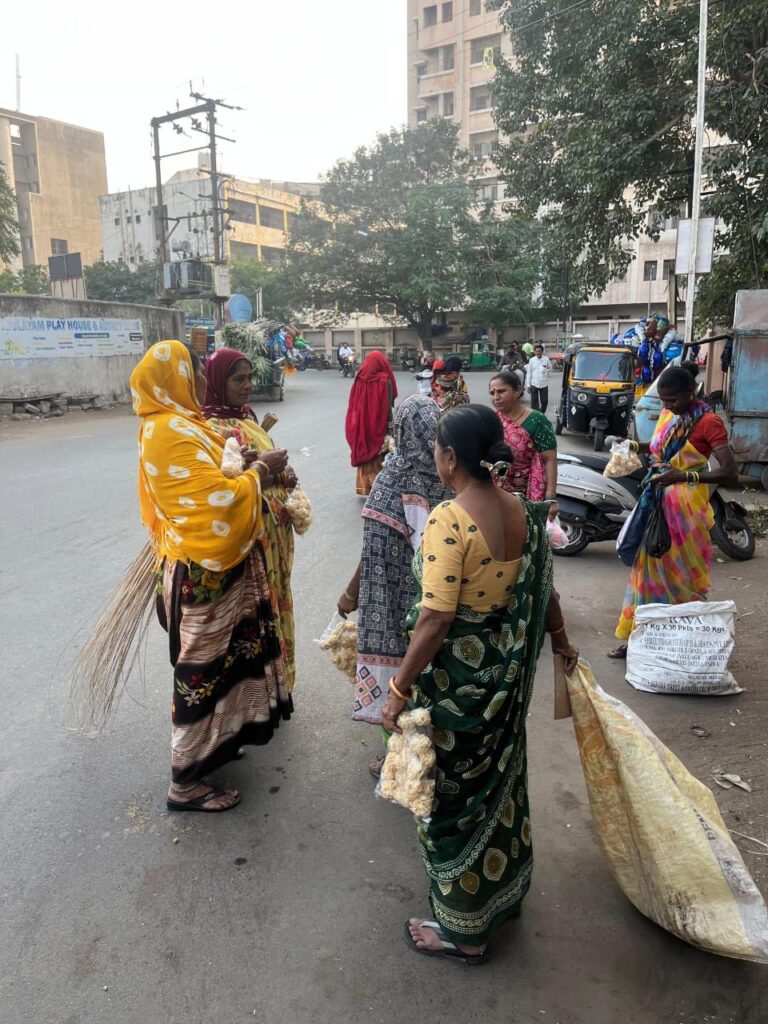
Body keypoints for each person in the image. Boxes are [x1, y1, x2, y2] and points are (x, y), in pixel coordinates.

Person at [379, 404, 578, 963]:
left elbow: (435, 618)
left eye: (437, 451)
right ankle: (495, 895)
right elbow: (544, 589)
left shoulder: (450, 518)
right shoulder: (522, 511)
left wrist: (397, 691)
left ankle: (464, 932)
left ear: (449, 457)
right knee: (494, 789)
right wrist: (561, 642)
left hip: (455, 684)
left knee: (449, 799)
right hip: (502, 676)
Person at [129, 340, 292, 812]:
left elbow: (220, 476)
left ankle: (219, 744)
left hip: (221, 570)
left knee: (228, 663)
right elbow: (216, 505)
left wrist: (252, 466)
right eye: (196, 371)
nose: (202, 380)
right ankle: (184, 783)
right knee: (200, 672)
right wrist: (259, 470)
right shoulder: (167, 432)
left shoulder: (185, 424)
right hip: (204, 572)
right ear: (176, 377)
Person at [337, 396, 451, 775]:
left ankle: (398, 757)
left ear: (401, 430)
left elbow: (373, 551)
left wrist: (353, 592)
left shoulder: (393, 477)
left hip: (394, 602)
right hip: (438, 599)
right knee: (429, 672)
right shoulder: (449, 476)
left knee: (399, 678)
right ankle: (430, 747)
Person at [608, 363, 739, 658]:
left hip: (685, 510)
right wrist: (631, 445)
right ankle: (640, 638)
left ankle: (681, 643)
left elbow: (730, 472)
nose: (667, 406)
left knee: (681, 576)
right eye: (664, 401)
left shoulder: (709, 422)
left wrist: (683, 476)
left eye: (673, 400)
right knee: (647, 573)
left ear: (691, 392)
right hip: (656, 501)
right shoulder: (671, 415)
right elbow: (658, 448)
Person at [201, 347, 300, 692]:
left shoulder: (247, 417)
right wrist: (270, 474)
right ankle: (257, 691)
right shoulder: (211, 429)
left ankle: (279, 681)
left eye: (249, 378)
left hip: (275, 533)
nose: (247, 386)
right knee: (255, 612)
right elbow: (223, 489)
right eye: (238, 380)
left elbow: (266, 467)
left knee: (277, 599)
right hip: (251, 537)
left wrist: (285, 476)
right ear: (218, 382)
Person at [489, 371, 558, 514]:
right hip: (496, 492)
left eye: (501, 391)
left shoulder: (537, 420)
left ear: (518, 391)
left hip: (529, 491)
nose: (496, 397)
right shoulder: (491, 420)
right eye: (492, 393)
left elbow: (549, 459)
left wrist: (550, 498)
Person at [345, 350, 398, 496]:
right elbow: (387, 406)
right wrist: (390, 426)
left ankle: (364, 487)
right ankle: (379, 488)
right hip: (378, 424)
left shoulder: (359, 378)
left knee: (365, 449)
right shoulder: (384, 380)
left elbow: (353, 403)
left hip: (361, 423)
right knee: (380, 453)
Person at [525, 343, 553, 413]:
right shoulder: (532, 360)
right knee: (534, 402)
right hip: (534, 383)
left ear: (542, 351)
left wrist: (545, 370)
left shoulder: (546, 359)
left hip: (544, 384)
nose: (538, 353)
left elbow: (550, 368)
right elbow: (529, 373)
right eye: (537, 351)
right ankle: (536, 415)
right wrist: (528, 385)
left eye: (539, 351)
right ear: (534, 352)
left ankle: (541, 413)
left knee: (545, 401)